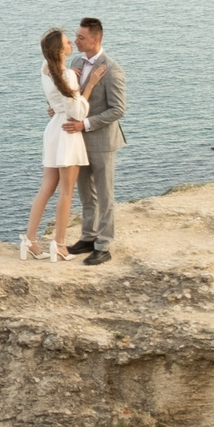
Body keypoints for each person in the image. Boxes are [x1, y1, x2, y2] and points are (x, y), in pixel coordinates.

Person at [22, 29, 90, 261]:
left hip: (53, 130)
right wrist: (87, 88)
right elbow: (77, 110)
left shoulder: (45, 68)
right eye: (67, 42)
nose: (71, 43)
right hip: (67, 131)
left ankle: (30, 240)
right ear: (60, 51)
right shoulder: (67, 76)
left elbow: (58, 91)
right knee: (66, 192)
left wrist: (69, 73)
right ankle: (59, 245)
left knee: (46, 188)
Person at [67, 17, 127, 264]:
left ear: (96, 38)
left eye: (81, 37)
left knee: (105, 195)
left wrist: (86, 124)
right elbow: (74, 99)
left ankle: (103, 245)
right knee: (85, 193)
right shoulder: (75, 63)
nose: (76, 40)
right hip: (78, 141)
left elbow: (118, 109)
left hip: (102, 141)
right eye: (76, 36)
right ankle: (88, 236)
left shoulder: (112, 69)